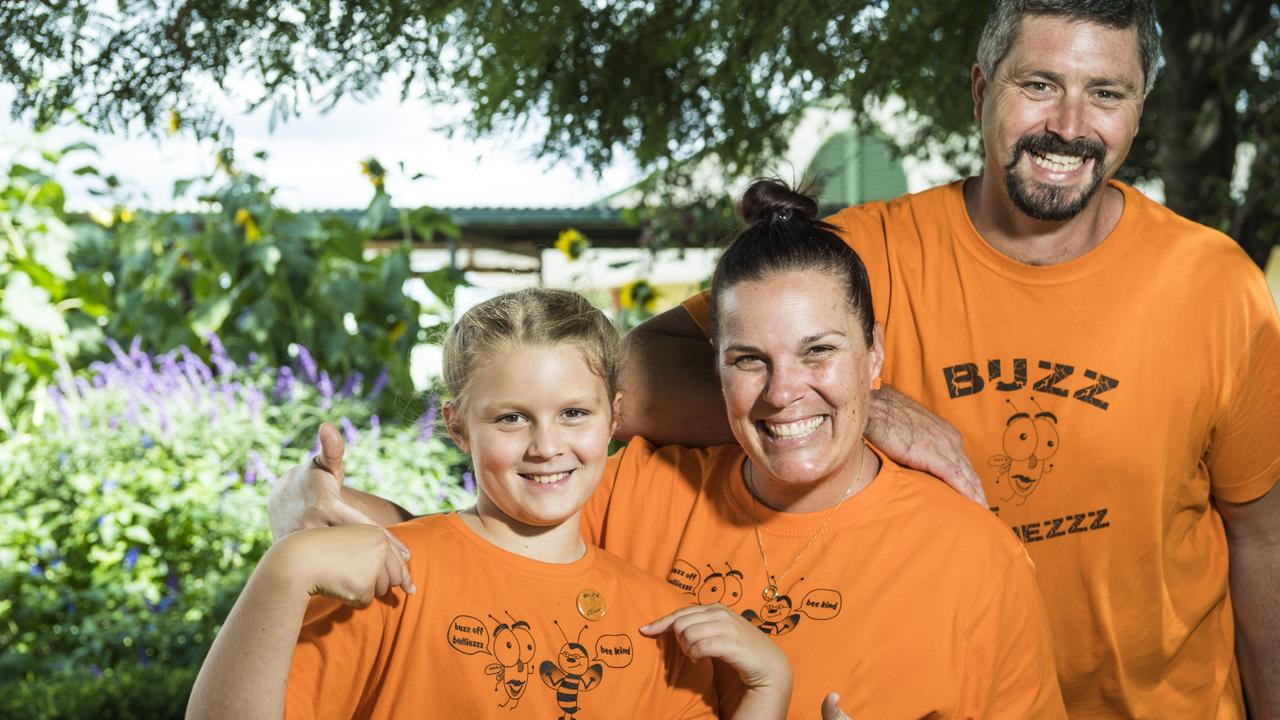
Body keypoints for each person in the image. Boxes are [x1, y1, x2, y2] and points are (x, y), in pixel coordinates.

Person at [627, 2, 1280, 717]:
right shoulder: (859, 261)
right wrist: (868, 409)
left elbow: (1262, 539)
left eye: (1105, 93)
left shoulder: (1214, 284)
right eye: (1038, 84)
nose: (1068, 124)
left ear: (1138, 109)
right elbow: (629, 378)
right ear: (980, 92)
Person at [270, 180, 1067, 718]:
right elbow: (473, 565)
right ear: (714, 367)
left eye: (819, 353)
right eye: (749, 360)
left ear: (876, 357)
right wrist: (318, 519)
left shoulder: (975, 557)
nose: (785, 392)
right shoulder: (638, 489)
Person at [187, 288, 792, 720]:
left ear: (616, 414)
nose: (546, 446)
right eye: (510, 419)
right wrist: (287, 568)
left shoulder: (662, 620)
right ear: (457, 427)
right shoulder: (384, 576)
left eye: (574, 413)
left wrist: (769, 689)